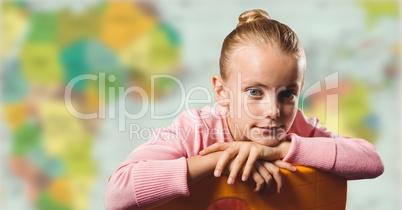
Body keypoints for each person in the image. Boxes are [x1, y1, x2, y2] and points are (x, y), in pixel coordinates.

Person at [104, 9, 384, 210]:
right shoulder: (195, 130)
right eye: (254, 92)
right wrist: (222, 159)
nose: (273, 110)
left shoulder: (298, 127)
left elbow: (371, 161)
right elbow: (117, 194)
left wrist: (278, 150)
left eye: (287, 94)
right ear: (222, 92)